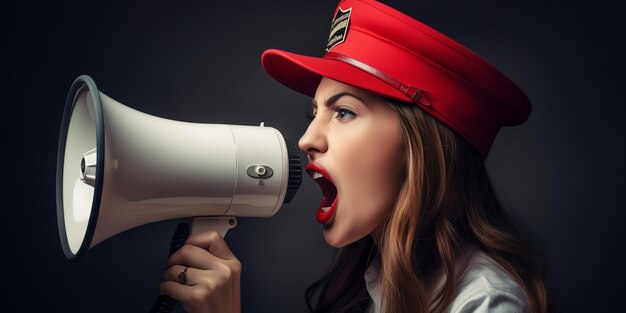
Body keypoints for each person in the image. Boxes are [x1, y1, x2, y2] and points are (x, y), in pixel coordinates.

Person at [159, 0, 552, 312]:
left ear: (421, 147)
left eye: (343, 112)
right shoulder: (374, 284)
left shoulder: (485, 304)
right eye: (314, 114)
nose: (306, 139)